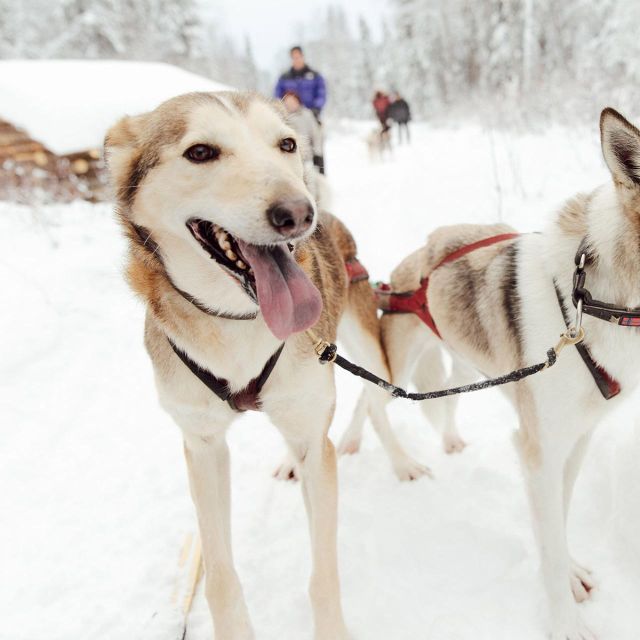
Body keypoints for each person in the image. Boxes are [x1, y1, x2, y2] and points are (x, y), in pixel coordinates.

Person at [275, 46, 327, 173]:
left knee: (317, 142)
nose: (296, 59)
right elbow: (277, 96)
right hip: (290, 116)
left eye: (298, 57)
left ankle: (320, 173)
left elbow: (322, 93)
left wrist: (316, 109)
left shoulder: (314, 75)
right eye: (294, 57)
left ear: (302, 57)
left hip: (311, 115)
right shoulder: (285, 77)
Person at [282, 91, 322, 173]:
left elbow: (316, 135)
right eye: (287, 102)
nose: (290, 104)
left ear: (298, 102)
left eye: (292, 101)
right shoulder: (281, 117)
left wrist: (317, 154)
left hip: (307, 158)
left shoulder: (307, 115)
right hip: (288, 159)